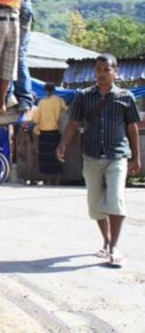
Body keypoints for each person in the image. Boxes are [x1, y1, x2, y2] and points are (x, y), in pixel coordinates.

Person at [56, 54, 141, 268]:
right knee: (95, 205)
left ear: (116, 71)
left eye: (107, 70)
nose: (102, 74)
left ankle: (114, 248)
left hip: (117, 156)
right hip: (91, 156)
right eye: (99, 70)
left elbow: (132, 128)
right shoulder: (83, 97)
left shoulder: (126, 97)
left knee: (115, 199)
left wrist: (136, 158)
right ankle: (106, 239)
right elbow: (74, 124)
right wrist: (63, 144)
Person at [32, 82, 67, 185]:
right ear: (54, 90)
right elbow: (65, 111)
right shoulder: (60, 100)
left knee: (46, 159)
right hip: (56, 134)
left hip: (44, 135)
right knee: (56, 158)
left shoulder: (42, 102)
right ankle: (57, 182)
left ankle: (48, 182)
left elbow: (35, 119)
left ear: (46, 91)